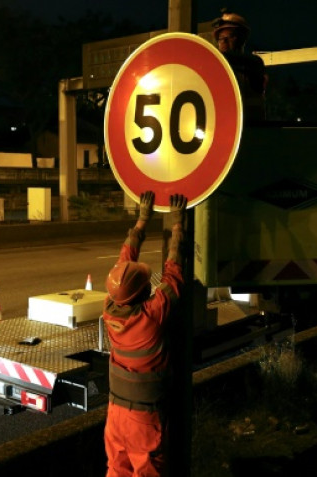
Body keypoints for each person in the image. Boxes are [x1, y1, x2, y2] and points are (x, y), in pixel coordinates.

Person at [103, 190, 188, 477]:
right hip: (144, 417)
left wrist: (142, 221)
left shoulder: (110, 308)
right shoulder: (151, 317)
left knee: (116, 468)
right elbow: (174, 274)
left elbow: (123, 264)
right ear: (142, 292)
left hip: (116, 413)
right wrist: (178, 226)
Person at [212, 10, 267, 121]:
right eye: (220, 38)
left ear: (241, 39)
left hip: (251, 125)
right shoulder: (216, 65)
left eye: (230, 36)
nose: (224, 41)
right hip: (225, 122)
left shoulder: (254, 62)